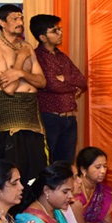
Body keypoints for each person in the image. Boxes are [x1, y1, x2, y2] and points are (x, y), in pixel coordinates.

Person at [0, 3, 48, 182]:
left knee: (37, 170)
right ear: (2, 23)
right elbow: (9, 89)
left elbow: (42, 81)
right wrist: (20, 59)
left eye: (21, 17)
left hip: (31, 115)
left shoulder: (26, 46)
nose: (19, 21)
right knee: (13, 171)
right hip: (9, 116)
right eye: (14, 18)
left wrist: (20, 73)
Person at [31, 13, 87, 165]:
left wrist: (65, 78)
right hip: (50, 118)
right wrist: (71, 85)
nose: (60, 33)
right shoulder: (38, 57)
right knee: (49, 163)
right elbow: (52, 85)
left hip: (69, 119)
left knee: (66, 165)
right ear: (43, 37)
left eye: (59, 29)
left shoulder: (62, 56)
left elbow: (82, 80)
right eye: (55, 31)